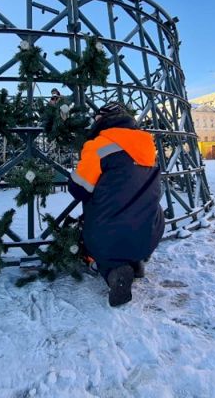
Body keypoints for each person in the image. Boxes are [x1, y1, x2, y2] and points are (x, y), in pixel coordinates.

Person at [68, 102, 164, 307]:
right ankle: (135, 262)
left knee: (98, 235)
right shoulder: (147, 144)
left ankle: (115, 272)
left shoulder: (98, 146)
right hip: (151, 231)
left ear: (101, 120)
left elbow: (78, 189)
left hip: (109, 234)